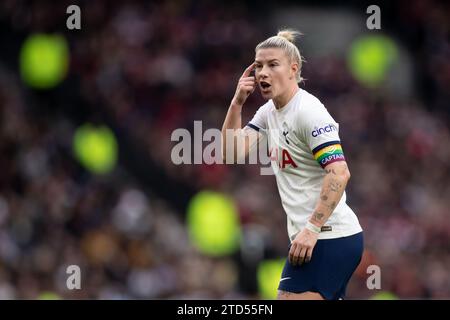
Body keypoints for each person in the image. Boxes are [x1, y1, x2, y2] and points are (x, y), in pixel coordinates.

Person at [221, 29, 363, 300]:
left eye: (273, 64)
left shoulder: (308, 111)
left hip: (329, 237)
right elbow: (230, 154)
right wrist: (237, 103)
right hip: (315, 238)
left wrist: (311, 230)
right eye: (259, 65)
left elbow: (340, 172)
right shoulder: (269, 112)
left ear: (293, 69)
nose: (263, 72)